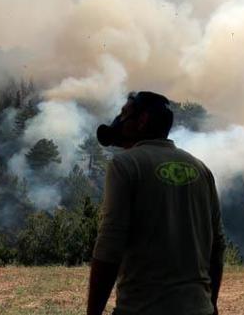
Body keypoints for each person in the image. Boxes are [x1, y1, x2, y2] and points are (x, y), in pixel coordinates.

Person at [86, 91, 225, 315]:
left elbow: (109, 245)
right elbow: (217, 246)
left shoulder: (125, 165)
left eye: (124, 113)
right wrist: (212, 304)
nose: (119, 120)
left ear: (142, 121)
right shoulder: (201, 169)